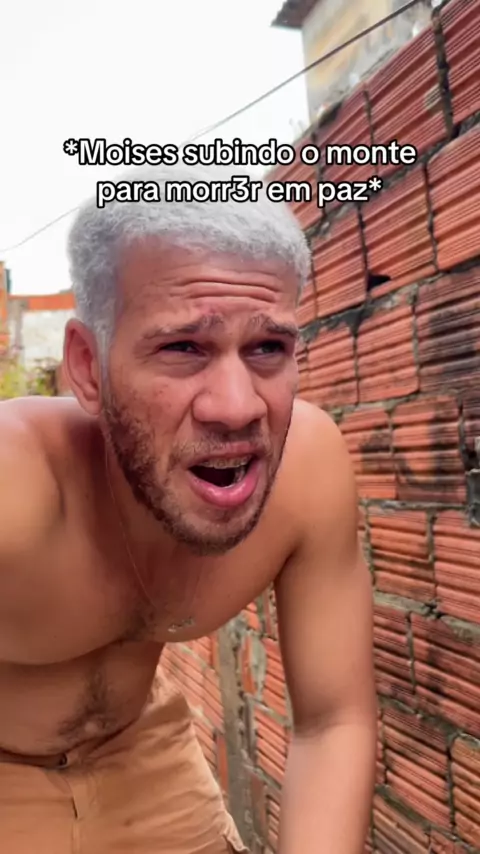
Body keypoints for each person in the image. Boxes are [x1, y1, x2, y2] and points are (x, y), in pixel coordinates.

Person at [0, 163, 377, 854]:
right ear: (87, 366)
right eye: (182, 347)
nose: (237, 407)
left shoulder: (307, 472)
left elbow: (334, 722)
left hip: (144, 758)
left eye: (268, 347)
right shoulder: (17, 487)